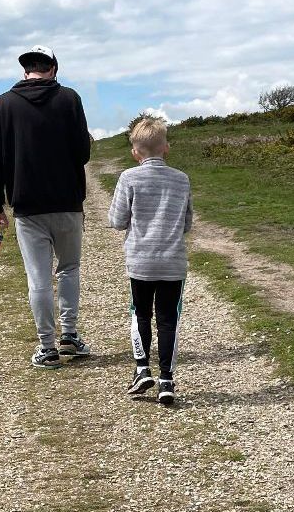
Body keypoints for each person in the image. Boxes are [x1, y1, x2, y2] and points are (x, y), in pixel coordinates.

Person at [0, 45, 93, 369]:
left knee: (39, 278)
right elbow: (83, 155)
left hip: (27, 207)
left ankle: (47, 347)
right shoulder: (70, 99)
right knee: (69, 269)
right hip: (68, 203)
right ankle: (70, 335)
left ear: (25, 71)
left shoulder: (4, 104)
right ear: (54, 69)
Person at [107, 117, 192, 405]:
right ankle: (167, 380)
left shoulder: (128, 178)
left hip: (140, 261)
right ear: (166, 147)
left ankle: (142, 368)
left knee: (140, 313)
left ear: (135, 152)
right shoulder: (181, 179)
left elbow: (117, 220)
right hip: (172, 262)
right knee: (169, 320)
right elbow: (187, 223)